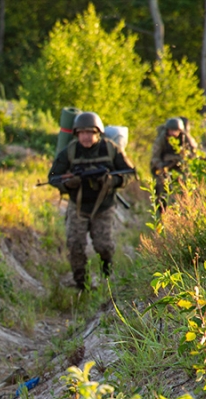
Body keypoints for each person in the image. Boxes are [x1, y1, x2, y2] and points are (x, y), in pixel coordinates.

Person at [48, 111, 134, 290]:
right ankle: (82, 284)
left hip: (103, 206)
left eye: (90, 133)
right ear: (76, 134)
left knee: (104, 246)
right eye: (82, 133)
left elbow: (129, 173)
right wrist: (68, 184)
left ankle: (107, 271)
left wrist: (112, 181)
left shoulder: (111, 149)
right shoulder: (70, 152)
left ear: (98, 133)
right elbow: (53, 177)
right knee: (75, 246)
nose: (86, 137)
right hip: (78, 206)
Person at [150, 117, 198, 214]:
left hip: (181, 167)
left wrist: (184, 157)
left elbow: (194, 153)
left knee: (185, 187)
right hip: (165, 167)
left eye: (175, 131)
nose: (173, 133)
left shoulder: (185, 139)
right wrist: (162, 166)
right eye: (171, 130)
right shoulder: (161, 139)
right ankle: (162, 211)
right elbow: (155, 157)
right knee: (161, 187)